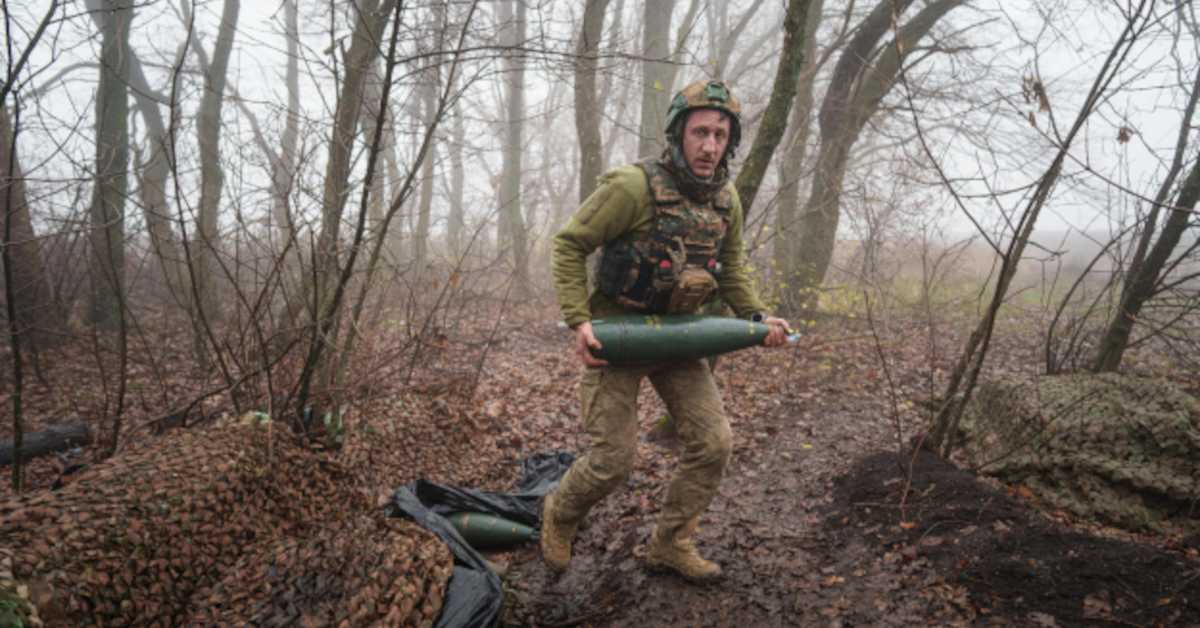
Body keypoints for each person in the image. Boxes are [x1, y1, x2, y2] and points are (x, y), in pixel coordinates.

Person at [545, 79, 790, 582]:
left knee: (714, 443)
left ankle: (669, 544)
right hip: (617, 337)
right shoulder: (631, 187)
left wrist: (758, 317)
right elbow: (569, 245)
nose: (710, 146)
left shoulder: (726, 201)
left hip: (681, 338)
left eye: (721, 135)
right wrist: (579, 321)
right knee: (613, 460)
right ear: (679, 134)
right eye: (700, 132)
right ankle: (559, 513)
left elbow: (734, 264)